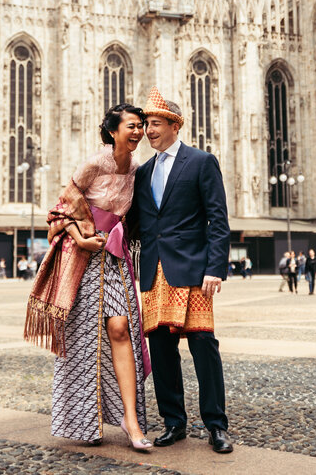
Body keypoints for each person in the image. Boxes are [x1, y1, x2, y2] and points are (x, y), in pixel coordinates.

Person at [24, 104, 152, 449]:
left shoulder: (137, 169)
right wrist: (81, 237)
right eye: (132, 126)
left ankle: (132, 421)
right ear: (113, 131)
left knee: (121, 328)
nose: (138, 131)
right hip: (83, 260)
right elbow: (61, 208)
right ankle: (83, 420)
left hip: (115, 260)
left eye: (141, 126)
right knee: (84, 340)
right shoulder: (96, 163)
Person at [129, 87, 232, 454]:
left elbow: (218, 220)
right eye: (146, 124)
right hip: (154, 271)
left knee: (204, 346)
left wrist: (215, 267)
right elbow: (136, 223)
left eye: (155, 123)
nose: (148, 131)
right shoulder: (143, 172)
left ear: (175, 124)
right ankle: (174, 422)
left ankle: (216, 426)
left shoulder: (201, 162)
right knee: (161, 349)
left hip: (193, 269)